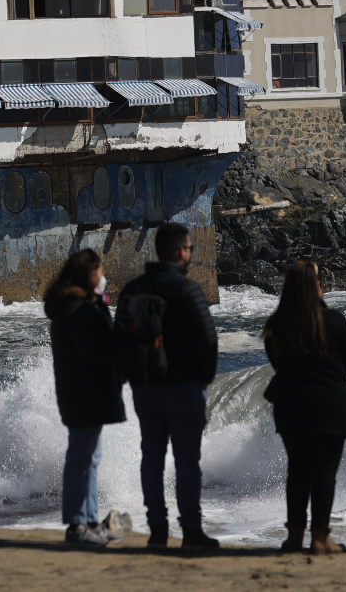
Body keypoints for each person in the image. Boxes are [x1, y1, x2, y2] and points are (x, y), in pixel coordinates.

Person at [119, 222, 220, 552]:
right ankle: (191, 531)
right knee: (187, 459)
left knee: (152, 458)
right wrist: (205, 375)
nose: (191, 253)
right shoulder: (188, 290)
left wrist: (130, 375)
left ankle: (158, 530)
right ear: (180, 252)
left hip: (145, 386)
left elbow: (118, 338)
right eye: (190, 248)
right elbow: (207, 337)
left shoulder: (133, 289)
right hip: (184, 386)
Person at [262, 261, 346, 555]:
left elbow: (276, 364)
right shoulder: (333, 320)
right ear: (316, 287)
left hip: (290, 406)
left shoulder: (276, 325)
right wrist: (331, 381)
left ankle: (294, 538)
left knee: (298, 471)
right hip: (330, 405)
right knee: (324, 473)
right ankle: (320, 538)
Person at [44, 249, 126, 547]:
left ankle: (90, 521)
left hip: (81, 394)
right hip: (85, 395)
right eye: (99, 269)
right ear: (88, 274)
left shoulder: (75, 306)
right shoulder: (78, 310)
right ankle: (78, 525)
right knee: (82, 459)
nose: (103, 274)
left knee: (90, 458)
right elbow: (96, 351)